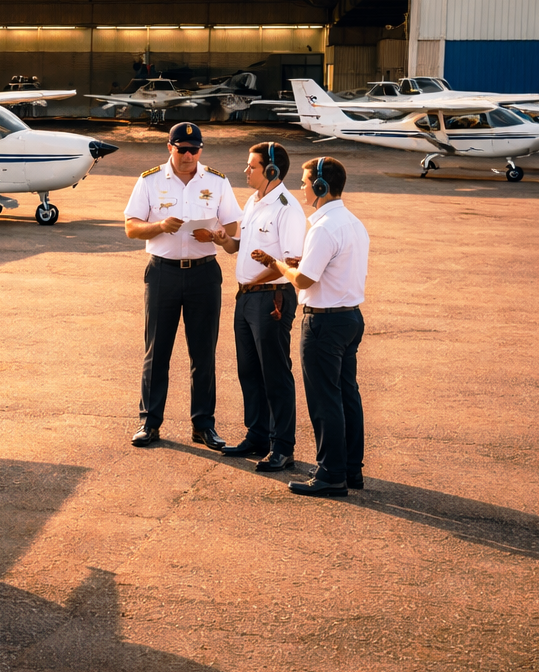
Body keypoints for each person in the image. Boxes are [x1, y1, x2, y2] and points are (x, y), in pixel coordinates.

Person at [250, 156, 370, 497]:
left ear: (321, 187)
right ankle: (350, 470)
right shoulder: (351, 222)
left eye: (305, 182)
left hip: (324, 323)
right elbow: (333, 266)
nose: (302, 187)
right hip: (349, 317)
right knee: (347, 395)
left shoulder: (322, 227)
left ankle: (330, 474)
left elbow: (302, 281)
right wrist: (302, 263)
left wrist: (276, 265)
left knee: (324, 400)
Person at [123, 122, 242, 449]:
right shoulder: (149, 180)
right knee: (157, 350)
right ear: (169, 147)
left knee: (203, 352)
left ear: (201, 149)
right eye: (182, 149)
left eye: (194, 149)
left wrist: (221, 237)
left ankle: (203, 425)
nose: (188, 155)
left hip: (204, 273)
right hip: (164, 273)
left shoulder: (216, 181)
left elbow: (233, 224)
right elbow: (131, 227)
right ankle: (149, 422)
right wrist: (160, 226)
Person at [209, 142, 307, 471]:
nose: (246, 171)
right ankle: (258, 435)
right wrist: (225, 241)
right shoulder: (253, 201)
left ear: (271, 170)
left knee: (275, 374)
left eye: (251, 167)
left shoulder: (287, 208)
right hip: (246, 297)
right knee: (249, 371)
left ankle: (283, 447)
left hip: (271, 299)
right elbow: (242, 247)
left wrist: (254, 283)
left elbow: (290, 262)